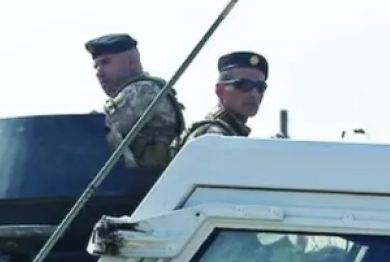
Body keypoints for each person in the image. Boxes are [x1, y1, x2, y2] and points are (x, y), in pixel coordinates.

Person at [85, 32, 185, 170]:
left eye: (105, 62)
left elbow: (100, 129)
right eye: (96, 66)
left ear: (131, 62)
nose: (99, 72)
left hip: (148, 183)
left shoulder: (142, 90)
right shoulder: (146, 89)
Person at [177, 51, 270, 146]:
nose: (254, 94)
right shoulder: (213, 136)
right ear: (220, 90)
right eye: (245, 85)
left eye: (260, 87)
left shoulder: (230, 135)